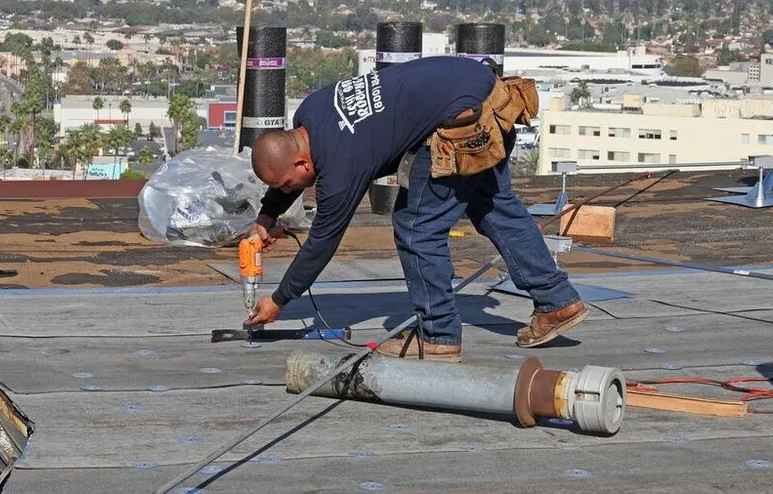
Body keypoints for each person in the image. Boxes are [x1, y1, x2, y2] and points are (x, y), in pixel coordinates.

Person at [245, 55, 587, 362]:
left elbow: (323, 242)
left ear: (303, 162)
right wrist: (267, 214)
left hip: (463, 124)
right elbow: (288, 169)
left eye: (288, 186)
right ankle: (557, 301)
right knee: (496, 207)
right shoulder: (311, 111)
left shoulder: (340, 163)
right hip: (483, 93)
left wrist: (280, 299)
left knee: (417, 227)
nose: (288, 192)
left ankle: (438, 336)